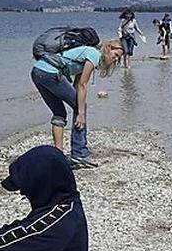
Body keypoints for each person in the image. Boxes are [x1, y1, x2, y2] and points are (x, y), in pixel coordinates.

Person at [31, 38, 122, 169]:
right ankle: (79, 153)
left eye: (118, 58)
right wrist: (81, 114)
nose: (116, 59)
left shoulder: (89, 54)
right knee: (81, 107)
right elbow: (82, 85)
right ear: (108, 48)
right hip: (50, 73)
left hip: (37, 71)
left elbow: (76, 86)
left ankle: (58, 156)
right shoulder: (94, 54)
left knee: (59, 113)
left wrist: (78, 106)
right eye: (116, 55)